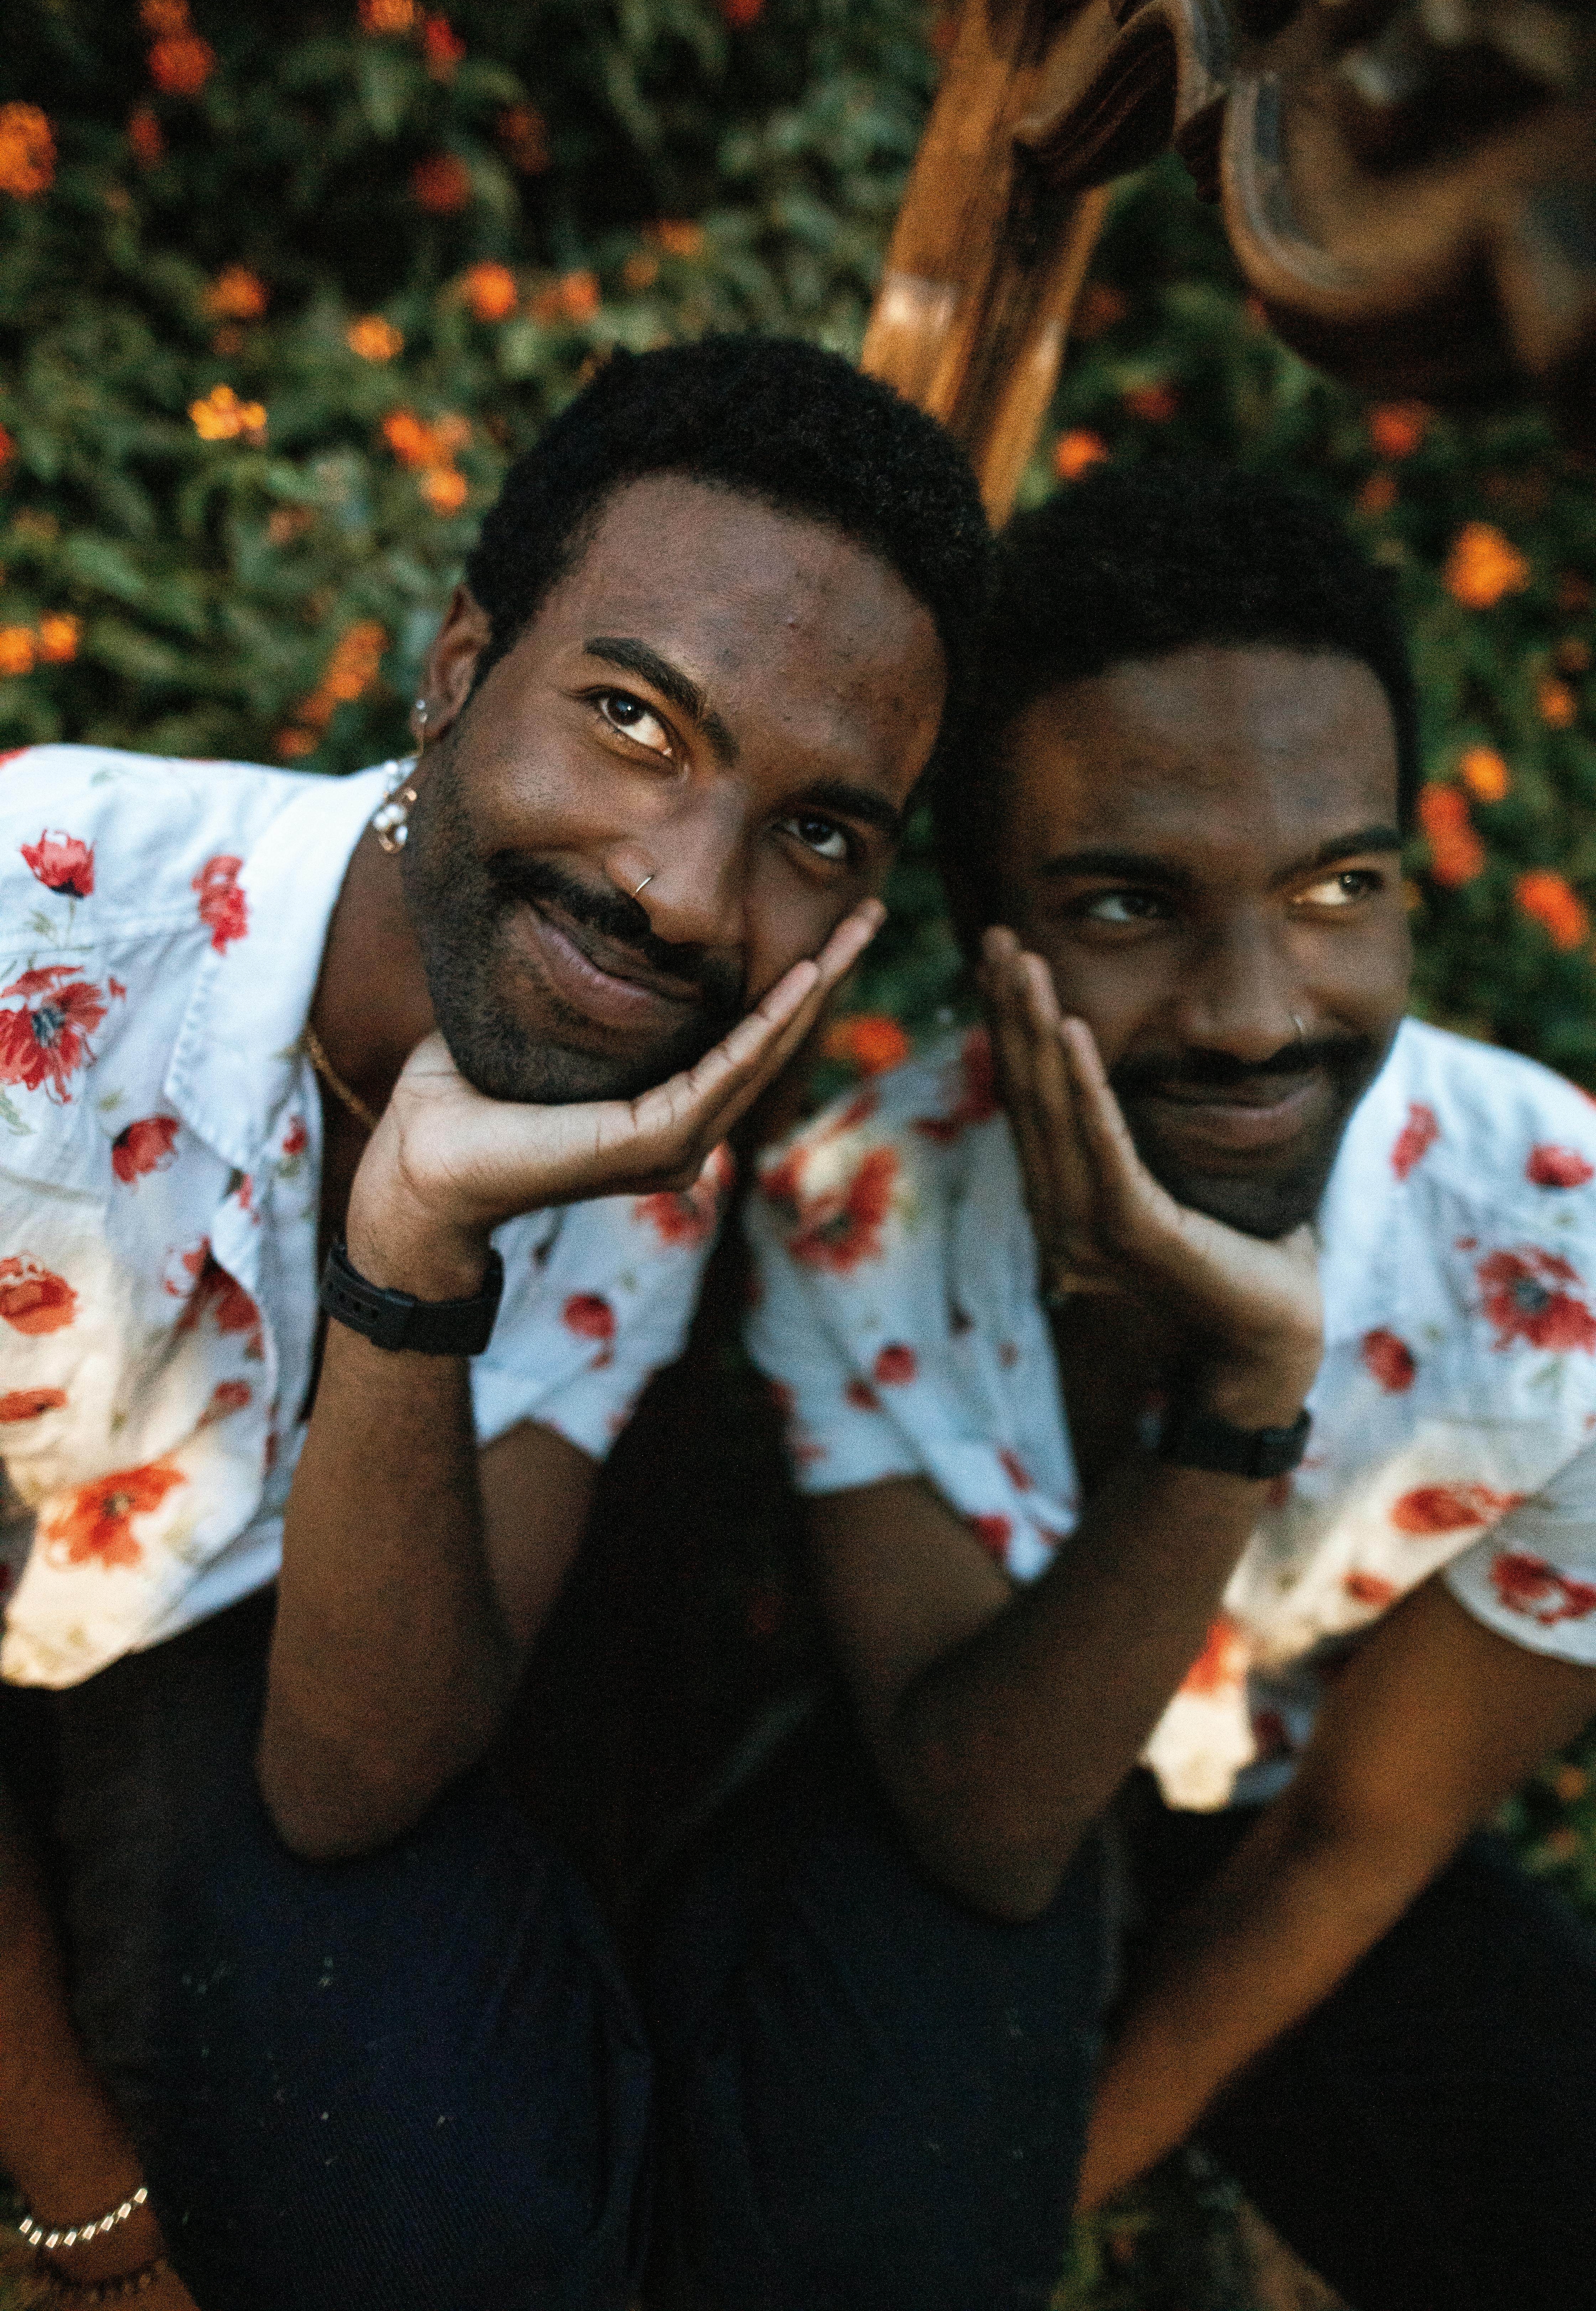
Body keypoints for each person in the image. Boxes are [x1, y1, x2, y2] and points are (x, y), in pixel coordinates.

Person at [0, 334, 989, 2311]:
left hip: (177, 1649)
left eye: (819, 834)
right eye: (636, 720)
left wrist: (422, 1245)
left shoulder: (645, 1127)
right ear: (458, 670)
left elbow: (359, 1772)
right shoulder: (40, 936)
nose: (691, 899)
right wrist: (91, 2221)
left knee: (466, 2219)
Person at [740, 462, 1596, 2311]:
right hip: (975, 1763)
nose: (1253, 1011)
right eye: (1129, 905)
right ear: (988, 942)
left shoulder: (1572, 1279)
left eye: (1337, 886)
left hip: (1294, 1818)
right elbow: (979, 1822)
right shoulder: (857, 1217)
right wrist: (1235, 1399)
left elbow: (1355, 1854)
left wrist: (1027, 2210)